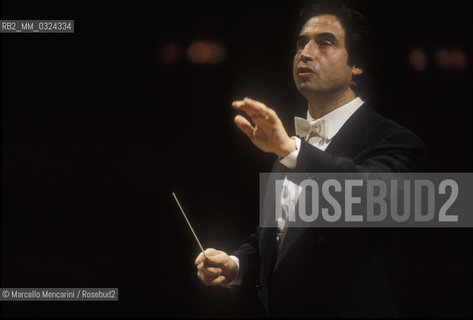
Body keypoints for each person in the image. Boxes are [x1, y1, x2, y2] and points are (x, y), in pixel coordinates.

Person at [194, 1, 427, 317]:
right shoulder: (293, 146)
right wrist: (235, 266)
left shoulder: (394, 139)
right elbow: (278, 240)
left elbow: (373, 199)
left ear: (355, 66)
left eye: (325, 43)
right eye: (301, 43)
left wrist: (291, 152)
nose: (305, 52)